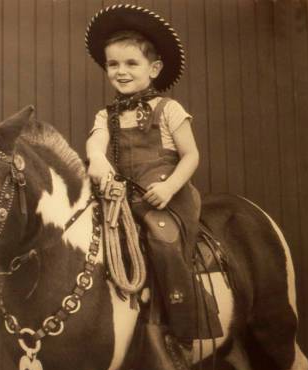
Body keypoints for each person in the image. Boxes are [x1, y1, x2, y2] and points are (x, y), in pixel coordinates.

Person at [85, 4, 223, 347]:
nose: (121, 71)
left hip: (165, 195)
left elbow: (191, 155)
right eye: (113, 64)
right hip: (122, 196)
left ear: (154, 68)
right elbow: (96, 142)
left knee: (164, 240)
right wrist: (97, 160)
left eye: (132, 63)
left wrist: (171, 186)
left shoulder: (168, 110)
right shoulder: (106, 116)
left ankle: (182, 325)